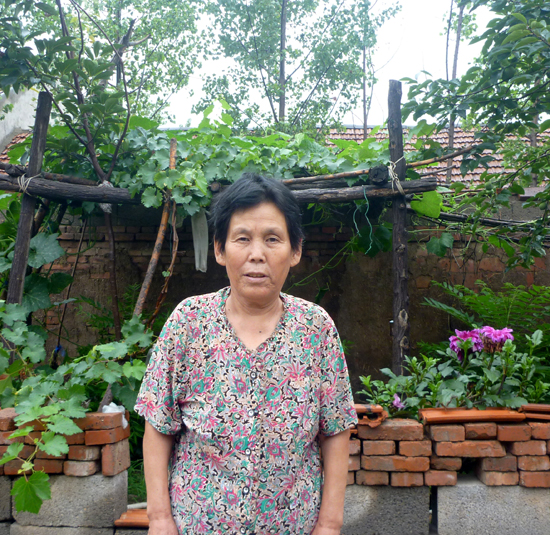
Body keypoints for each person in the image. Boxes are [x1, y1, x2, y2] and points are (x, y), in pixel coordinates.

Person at [135, 173, 358, 535]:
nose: (257, 254)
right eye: (242, 238)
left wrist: (330, 524)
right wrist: (159, 519)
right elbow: (159, 424)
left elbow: (335, 430)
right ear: (220, 250)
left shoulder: (316, 329)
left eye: (272, 239)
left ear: (295, 250)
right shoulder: (189, 322)